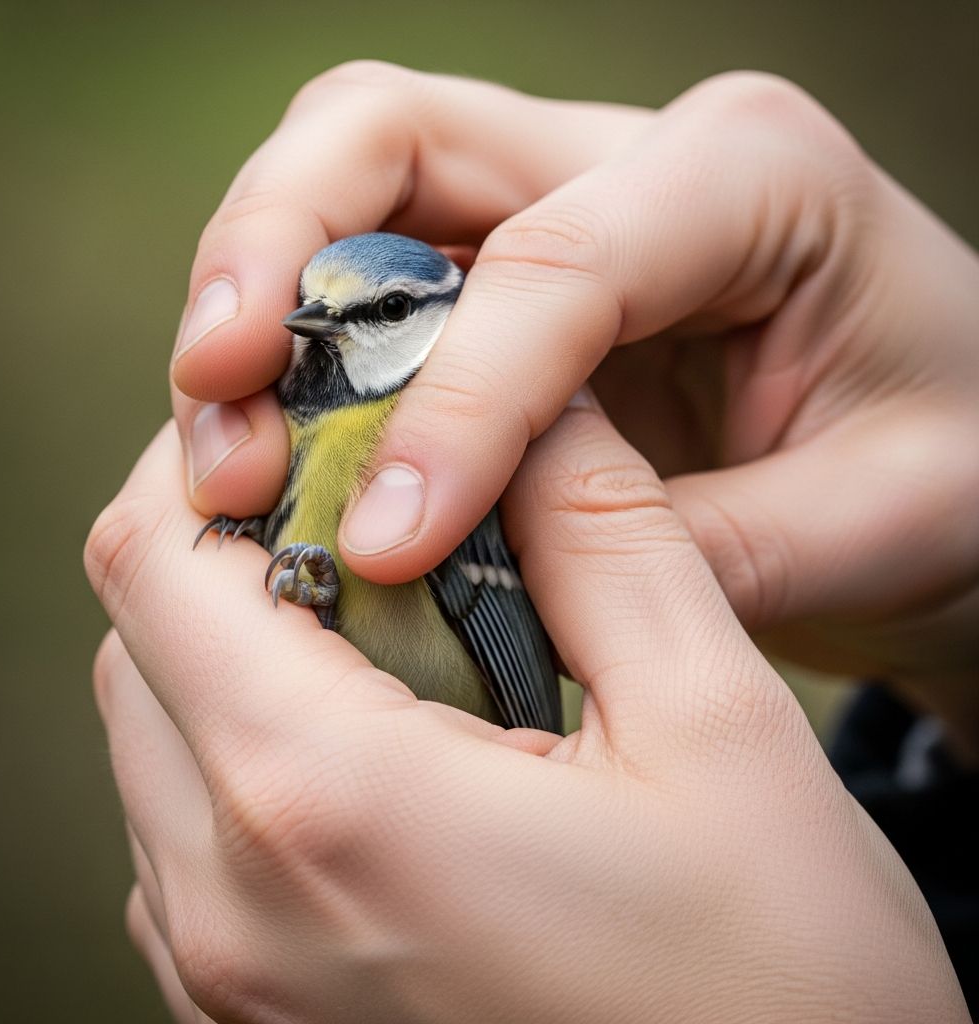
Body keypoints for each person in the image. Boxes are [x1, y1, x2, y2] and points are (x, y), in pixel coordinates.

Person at [85, 64, 978, 1022]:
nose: (322, 327)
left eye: (380, 312)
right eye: (314, 306)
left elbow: (509, 661)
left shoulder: (428, 441)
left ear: (441, 317)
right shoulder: (311, 417)